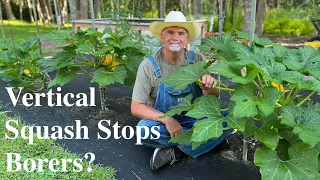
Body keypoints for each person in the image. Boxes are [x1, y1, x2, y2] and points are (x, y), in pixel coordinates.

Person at [131, 11, 233, 170]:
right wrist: (166, 119)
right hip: (164, 121)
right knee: (143, 130)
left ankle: (176, 152)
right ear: (162, 37)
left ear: (186, 39)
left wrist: (210, 87)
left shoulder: (197, 59)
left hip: (195, 118)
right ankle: (209, 140)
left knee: (231, 117)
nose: (175, 37)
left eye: (180, 33)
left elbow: (214, 97)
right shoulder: (148, 66)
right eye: (170, 32)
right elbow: (136, 107)